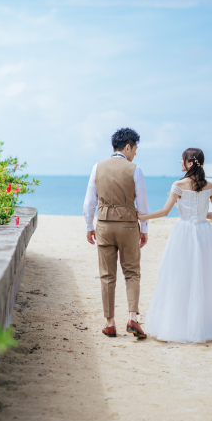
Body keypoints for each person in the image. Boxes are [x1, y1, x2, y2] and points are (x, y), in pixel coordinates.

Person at [137, 148, 212, 343]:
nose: (179, 161)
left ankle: (180, 324)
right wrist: (200, 215)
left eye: (182, 159)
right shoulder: (210, 186)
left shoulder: (179, 185)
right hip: (203, 233)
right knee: (203, 278)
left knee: (180, 277)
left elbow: (165, 211)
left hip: (183, 233)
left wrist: (142, 216)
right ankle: (204, 324)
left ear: (190, 163)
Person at [84, 128, 150, 339]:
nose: (135, 153)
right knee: (131, 272)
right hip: (128, 226)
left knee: (107, 275)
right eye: (135, 148)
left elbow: (89, 202)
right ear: (127, 147)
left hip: (103, 225)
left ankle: (110, 323)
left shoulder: (97, 167)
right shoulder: (134, 169)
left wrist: (89, 226)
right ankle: (132, 318)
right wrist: (144, 230)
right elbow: (143, 205)